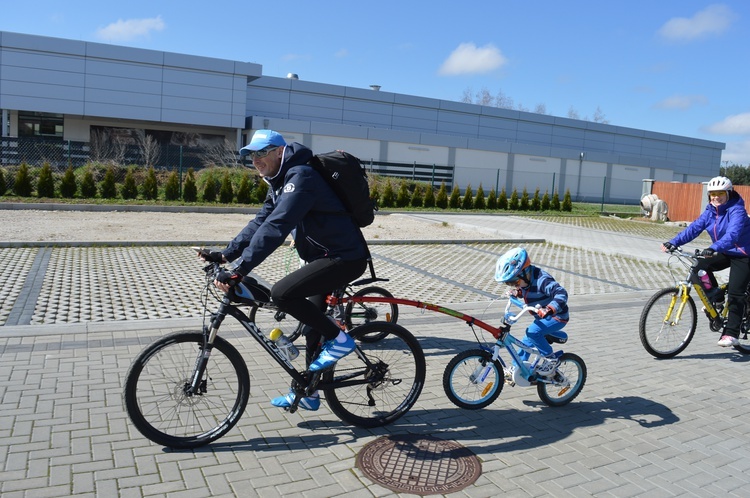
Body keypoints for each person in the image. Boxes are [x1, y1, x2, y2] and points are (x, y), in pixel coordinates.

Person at [199, 129, 369, 410]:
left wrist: (240, 269)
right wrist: (225, 255)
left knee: (282, 294)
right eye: (251, 154)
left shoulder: (302, 177)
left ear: (280, 151)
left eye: (261, 152)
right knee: (312, 328)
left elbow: (277, 227)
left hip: (345, 258)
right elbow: (260, 222)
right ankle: (310, 394)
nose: (255, 159)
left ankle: (341, 340)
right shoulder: (278, 182)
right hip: (324, 258)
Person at [662, 176, 750, 348]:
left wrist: (714, 247)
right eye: (712, 194)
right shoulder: (711, 211)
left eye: (720, 193)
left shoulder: (737, 210)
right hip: (725, 250)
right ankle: (716, 298)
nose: (716, 197)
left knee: (735, 292)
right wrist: (674, 242)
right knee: (700, 267)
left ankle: (731, 333)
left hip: (744, 252)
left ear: (728, 193)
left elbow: (733, 234)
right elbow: (694, 228)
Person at [494, 247, 569, 376]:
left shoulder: (542, 280)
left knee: (532, 332)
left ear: (525, 272)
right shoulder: (526, 280)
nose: (514, 285)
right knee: (525, 343)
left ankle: (551, 359)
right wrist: (517, 292)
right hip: (542, 318)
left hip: (557, 316)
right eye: (509, 284)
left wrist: (549, 308)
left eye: (514, 282)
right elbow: (525, 289)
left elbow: (561, 293)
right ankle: (515, 369)